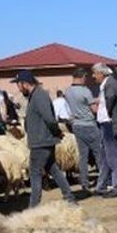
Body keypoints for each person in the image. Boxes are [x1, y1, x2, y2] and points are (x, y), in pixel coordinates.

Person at [13, 70, 75, 208]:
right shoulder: (35, 95)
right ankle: (69, 198)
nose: (18, 88)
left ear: (24, 83)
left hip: (40, 142)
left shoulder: (39, 96)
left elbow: (49, 118)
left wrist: (57, 132)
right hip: (42, 140)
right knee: (53, 170)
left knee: (35, 173)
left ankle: (33, 207)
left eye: (18, 85)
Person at [64, 67, 105, 193]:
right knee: (99, 153)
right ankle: (103, 180)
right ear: (82, 77)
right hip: (89, 125)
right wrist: (99, 102)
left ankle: (84, 182)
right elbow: (94, 110)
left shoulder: (68, 91)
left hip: (77, 125)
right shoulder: (85, 91)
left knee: (83, 156)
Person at [91, 63, 117, 197]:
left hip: (110, 124)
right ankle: (101, 185)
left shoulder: (110, 84)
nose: (93, 76)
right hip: (105, 123)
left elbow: (110, 98)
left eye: (95, 73)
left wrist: (108, 111)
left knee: (113, 156)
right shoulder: (107, 84)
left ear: (101, 73)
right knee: (105, 156)